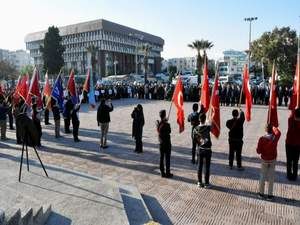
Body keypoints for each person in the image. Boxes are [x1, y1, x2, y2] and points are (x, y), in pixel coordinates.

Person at [256, 124, 281, 199]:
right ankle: (270, 195)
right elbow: (278, 132)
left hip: (264, 160)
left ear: (265, 130)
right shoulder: (275, 138)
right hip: (272, 159)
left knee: (262, 176)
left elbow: (258, 151)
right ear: (271, 130)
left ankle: (261, 193)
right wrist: (274, 127)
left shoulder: (262, 139)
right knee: (271, 177)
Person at [193, 113, 212, 188]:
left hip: (200, 149)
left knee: (199, 166)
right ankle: (206, 183)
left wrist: (200, 142)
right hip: (207, 150)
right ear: (204, 119)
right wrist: (208, 121)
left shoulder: (195, 129)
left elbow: (194, 139)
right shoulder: (207, 127)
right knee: (207, 167)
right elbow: (212, 127)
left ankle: (199, 182)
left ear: (199, 119)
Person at [156, 110, 173, 178]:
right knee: (167, 158)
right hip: (167, 143)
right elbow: (169, 131)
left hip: (161, 143)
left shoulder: (158, 123)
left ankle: (162, 172)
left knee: (161, 158)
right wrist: (166, 122)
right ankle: (167, 173)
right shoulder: (167, 124)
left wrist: (164, 121)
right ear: (165, 115)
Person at [285, 108, 300, 181]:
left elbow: (290, 116)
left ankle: (290, 175)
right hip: (296, 144)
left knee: (290, 161)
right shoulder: (292, 120)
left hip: (290, 144)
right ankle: (293, 175)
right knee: (295, 161)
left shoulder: (291, 120)